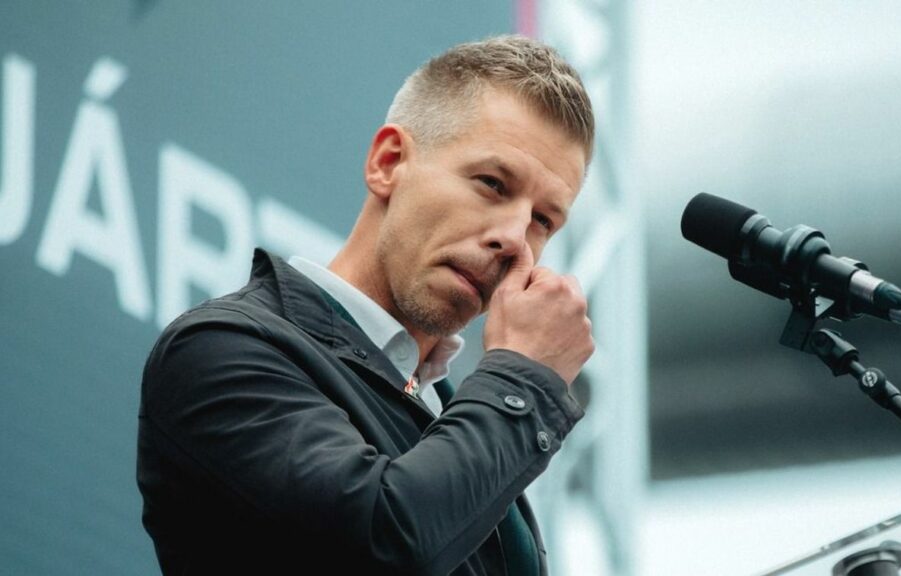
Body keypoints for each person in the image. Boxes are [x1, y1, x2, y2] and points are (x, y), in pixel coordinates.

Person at [137, 35, 595, 575]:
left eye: (543, 220)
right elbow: (382, 545)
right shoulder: (221, 348)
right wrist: (523, 382)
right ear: (388, 162)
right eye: (492, 184)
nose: (515, 239)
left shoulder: (455, 414)